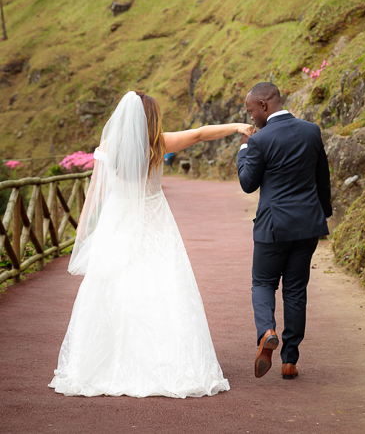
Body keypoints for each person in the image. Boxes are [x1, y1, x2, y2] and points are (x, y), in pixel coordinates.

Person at [50, 90, 254, 399]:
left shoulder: (106, 148)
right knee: (163, 285)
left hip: (116, 224)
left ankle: (105, 362)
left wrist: (83, 235)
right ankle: (166, 362)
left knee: (113, 287)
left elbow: (94, 194)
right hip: (155, 222)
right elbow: (199, 135)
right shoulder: (159, 144)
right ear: (152, 118)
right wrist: (238, 126)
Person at [237, 82, 332, 381]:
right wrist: (323, 212)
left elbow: (247, 183)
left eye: (252, 111)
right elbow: (322, 176)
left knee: (263, 283)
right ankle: (290, 360)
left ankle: (267, 331)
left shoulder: (259, 140)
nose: (251, 117)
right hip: (307, 226)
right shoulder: (311, 130)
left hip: (273, 227)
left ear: (264, 105)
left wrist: (243, 147)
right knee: (295, 291)